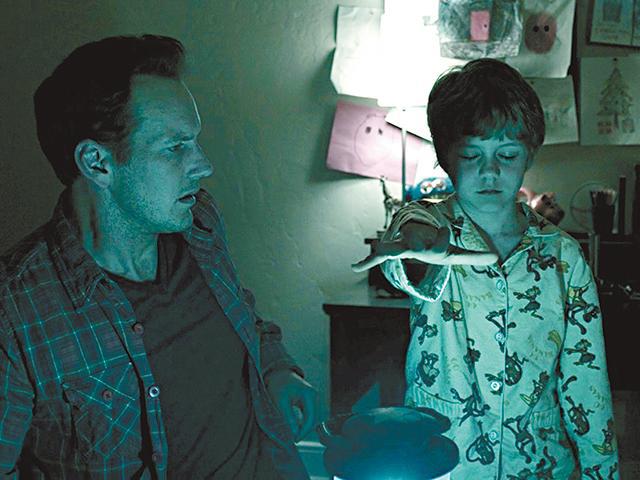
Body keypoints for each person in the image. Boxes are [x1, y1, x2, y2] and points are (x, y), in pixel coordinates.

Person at [0, 35, 316, 479]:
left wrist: (277, 369)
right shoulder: (16, 312)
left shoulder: (198, 221)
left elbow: (242, 315)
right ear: (97, 162)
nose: (203, 165)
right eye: (175, 147)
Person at [353, 59, 619, 478]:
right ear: (446, 158)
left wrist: (601, 471)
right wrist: (415, 240)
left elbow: (588, 383)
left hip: (538, 465)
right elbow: (408, 235)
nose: (490, 170)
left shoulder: (564, 257)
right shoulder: (429, 228)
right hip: (444, 460)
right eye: (471, 154)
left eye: (507, 154)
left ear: (528, 154)